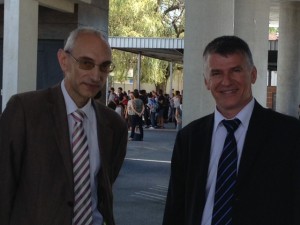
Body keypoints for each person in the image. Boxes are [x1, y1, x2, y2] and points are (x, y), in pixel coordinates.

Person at [162, 36, 300, 225]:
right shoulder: (189, 138)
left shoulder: (289, 135)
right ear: (206, 81)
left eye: (236, 70)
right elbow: (175, 209)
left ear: (252, 74)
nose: (226, 81)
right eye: (217, 73)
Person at [0, 27, 128, 225]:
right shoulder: (25, 111)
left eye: (104, 66)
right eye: (87, 63)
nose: (96, 76)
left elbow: (102, 190)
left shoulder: (114, 126)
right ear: (63, 61)